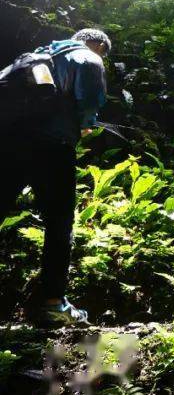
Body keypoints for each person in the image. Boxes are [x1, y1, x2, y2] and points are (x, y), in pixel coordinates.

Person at [0, 28, 110, 326]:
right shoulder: (87, 56)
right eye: (105, 53)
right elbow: (90, 95)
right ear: (97, 44)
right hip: (52, 146)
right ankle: (52, 303)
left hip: (8, 142)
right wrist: (87, 122)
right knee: (59, 223)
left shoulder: (37, 57)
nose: (103, 57)